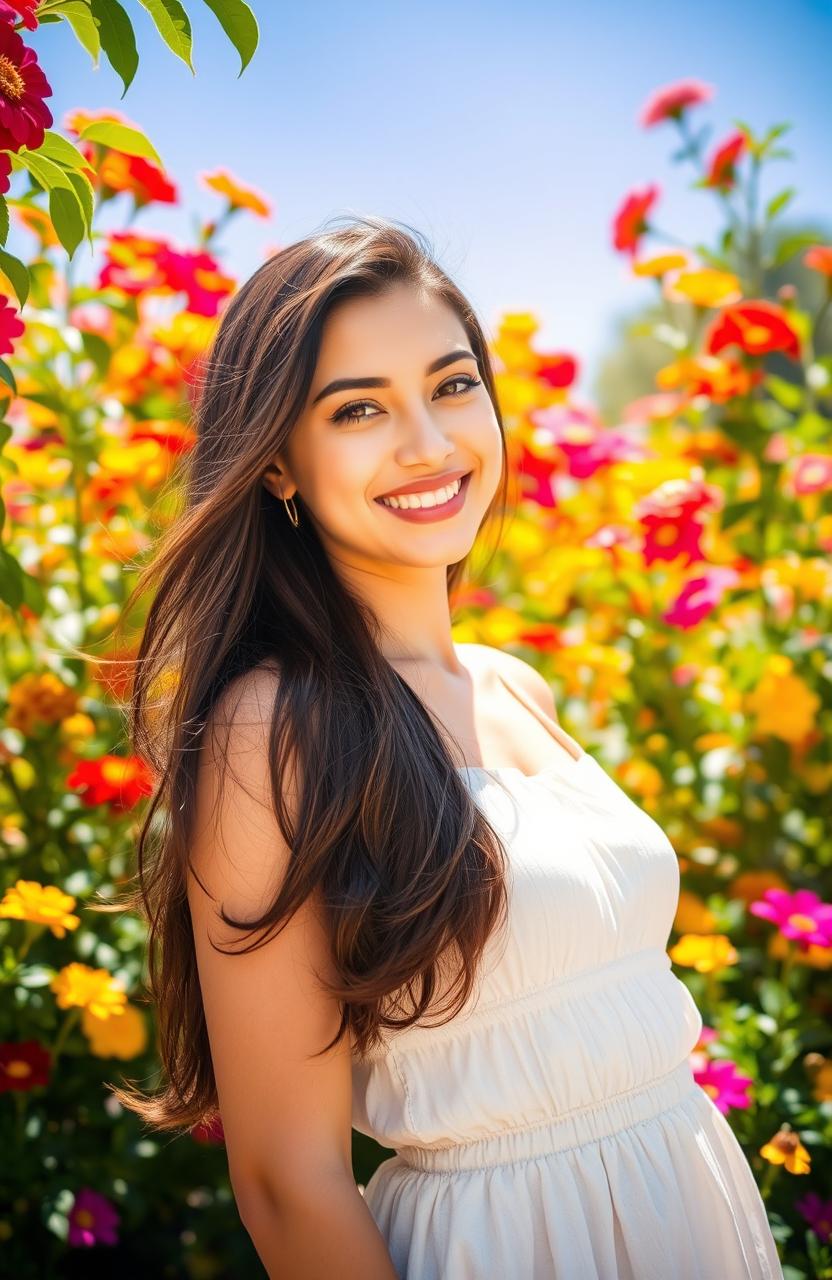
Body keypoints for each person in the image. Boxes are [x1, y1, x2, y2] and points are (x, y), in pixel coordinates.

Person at [111, 215, 784, 1279]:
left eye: (453, 384)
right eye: (359, 408)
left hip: (688, 1212)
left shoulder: (515, 682)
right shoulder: (271, 727)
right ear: (277, 465)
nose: (428, 442)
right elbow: (287, 1180)